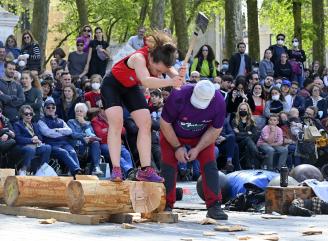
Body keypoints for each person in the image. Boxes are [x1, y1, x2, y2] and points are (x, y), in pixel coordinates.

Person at [100, 31, 184, 182]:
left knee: (146, 123)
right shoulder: (139, 58)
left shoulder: (160, 57)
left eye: (162, 72)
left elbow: (170, 71)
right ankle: (116, 169)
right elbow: (146, 81)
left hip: (129, 86)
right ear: (151, 59)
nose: (159, 74)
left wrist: (177, 76)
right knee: (117, 123)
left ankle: (145, 170)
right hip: (112, 85)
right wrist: (171, 82)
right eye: (158, 71)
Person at [160, 80, 228, 220]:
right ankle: (165, 203)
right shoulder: (179, 95)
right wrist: (177, 147)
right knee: (168, 165)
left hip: (201, 136)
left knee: (210, 165)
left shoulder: (219, 102)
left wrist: (197, 149)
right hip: (172, 133)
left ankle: (214, 205)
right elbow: (165, 123)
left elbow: (216, 129)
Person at [38, 99, 82, 176]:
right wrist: (62, 133)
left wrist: (57, 130)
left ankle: (77, 174)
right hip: (51, 144)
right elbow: (48, 133)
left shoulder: (61, 120)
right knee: (63, 152)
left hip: (64, 143)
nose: (51, 109)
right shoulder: (41, 121)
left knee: (73, 152)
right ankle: (77, 171)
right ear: (44, 109)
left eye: (53, 107)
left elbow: (69, 131)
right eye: (48, 107)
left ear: (55, 109)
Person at [91, 109, 135, 179]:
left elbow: (123, 131)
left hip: (116, 144)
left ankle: (130, 175)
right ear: (100, 111)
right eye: (104, 109)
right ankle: (128, 169)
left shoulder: (113, 118)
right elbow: (100, 135)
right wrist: (112, 129)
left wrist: (108, 129)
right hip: (104, 144)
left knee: (126, 153)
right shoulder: (95, 120)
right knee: (115, 153)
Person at [13, 105, 52, 176]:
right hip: (23, 146)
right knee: (30, 150)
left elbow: (40, 137)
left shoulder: (35, 125)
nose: (29, 116)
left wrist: (38, 139)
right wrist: (31, 140)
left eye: (30, 114)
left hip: (36, 146)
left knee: (48, 147)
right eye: (26, 114)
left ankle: (41, 170)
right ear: (22, 115)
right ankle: (23, 170)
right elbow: (18, 138)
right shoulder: (17, 124)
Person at [67, 103, 103, 175]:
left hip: (87, 148)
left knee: (95, 143)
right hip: (76, 147)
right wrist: (84, 137)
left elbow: (91, 135)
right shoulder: (71, 122)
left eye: (81, 111)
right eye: (77, 111)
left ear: (85, 114)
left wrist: (84, 123)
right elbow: (72, 134)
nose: (79, 113)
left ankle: (96, 167)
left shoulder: (88, 123)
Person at [232, 102, 265, 169]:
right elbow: (236, 136)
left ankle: (249, 168)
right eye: (241, 109)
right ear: (238, 110)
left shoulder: (252, 121)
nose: (242, 111)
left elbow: (254, 134)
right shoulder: (234, 121)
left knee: (248, 145)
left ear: (248, 110)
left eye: (244, 109)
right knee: (247, 139)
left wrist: (241, 133)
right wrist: (247, 133)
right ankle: (258, 154)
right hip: (239, 144)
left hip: (250, 143)